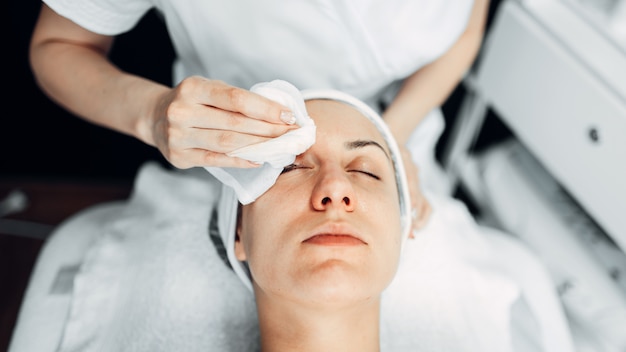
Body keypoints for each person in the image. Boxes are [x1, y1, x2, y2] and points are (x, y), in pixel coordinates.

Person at [102, 91, 531, 352]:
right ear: (238, 232)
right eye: (289, 168)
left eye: (366, 170)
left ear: (401, 232)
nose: (335, 190)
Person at [28, 0, 491, 234]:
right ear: (238, 243)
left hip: (403, 137)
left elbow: (468, 24)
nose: (336, 193)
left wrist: (392, 138)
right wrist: (150, 113)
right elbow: (59, 46)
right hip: (223, 150)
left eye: (359, 167)